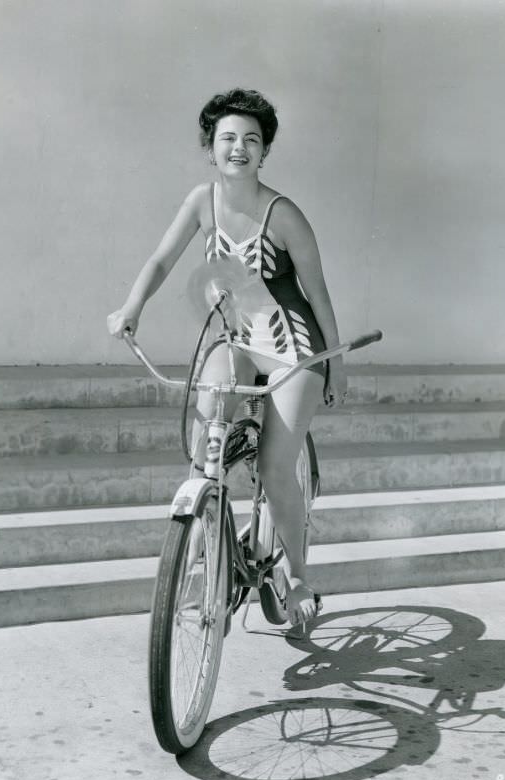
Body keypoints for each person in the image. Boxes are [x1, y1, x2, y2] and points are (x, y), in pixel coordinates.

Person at [107, 88, 347, 625]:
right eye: (228, 139)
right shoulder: (201, 200)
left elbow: (319, 293)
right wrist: (131, 306)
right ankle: (206, 547)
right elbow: (162, 259)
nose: (238, 148)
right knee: (203, 440)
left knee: (274, 466)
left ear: (264, 152)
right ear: (210, 147)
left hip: (293, 347)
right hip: (237, 340)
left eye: (251, 140)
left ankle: (300, 579)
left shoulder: (284, 215)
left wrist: (336, 362)